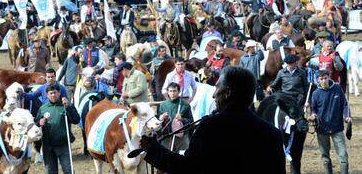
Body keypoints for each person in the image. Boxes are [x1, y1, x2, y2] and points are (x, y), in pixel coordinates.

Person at [141, 66, 286, 174]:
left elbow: (188, 168)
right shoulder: (272, 134)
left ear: (228, 92)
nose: (213, 95)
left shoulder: (210, 127)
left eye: (217, 88)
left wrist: (154, 150)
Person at [308, 70, 351, 174]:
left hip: (337, 128)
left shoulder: (337, 89)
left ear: (329, 77)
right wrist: (313, 115)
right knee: (325, 155)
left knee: (343, 155)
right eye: (321, 79)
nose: (324, 81)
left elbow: (345, 105)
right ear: (318, 79)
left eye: (325, 78)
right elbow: (313, 109)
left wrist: (346, 116)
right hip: (322, 129)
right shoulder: (315, 93)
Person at [36, 84, 80, 174]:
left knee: (69, 170)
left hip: (63, 145)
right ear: (47, 95)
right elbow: (36, 123)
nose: (53, 95)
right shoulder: (43, 108)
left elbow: (76, 120)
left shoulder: (65, 106)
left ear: (59, 93)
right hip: (48, 147)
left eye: (55, 93)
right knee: (51, 171)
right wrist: (39, 123)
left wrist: (68, 107)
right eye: (51, 93)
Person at [158, 83, 193, 153]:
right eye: (170, 91)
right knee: (165, 158)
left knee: (183, 159)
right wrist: (161, 118)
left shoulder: (185, 105)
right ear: (167, 92)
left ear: (179, 92)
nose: (172, 93)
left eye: (174, 91)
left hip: (181, 138)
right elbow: (157, 123)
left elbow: (191, 122)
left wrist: (182, 119)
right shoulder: (162, 105)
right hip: (167, 137)